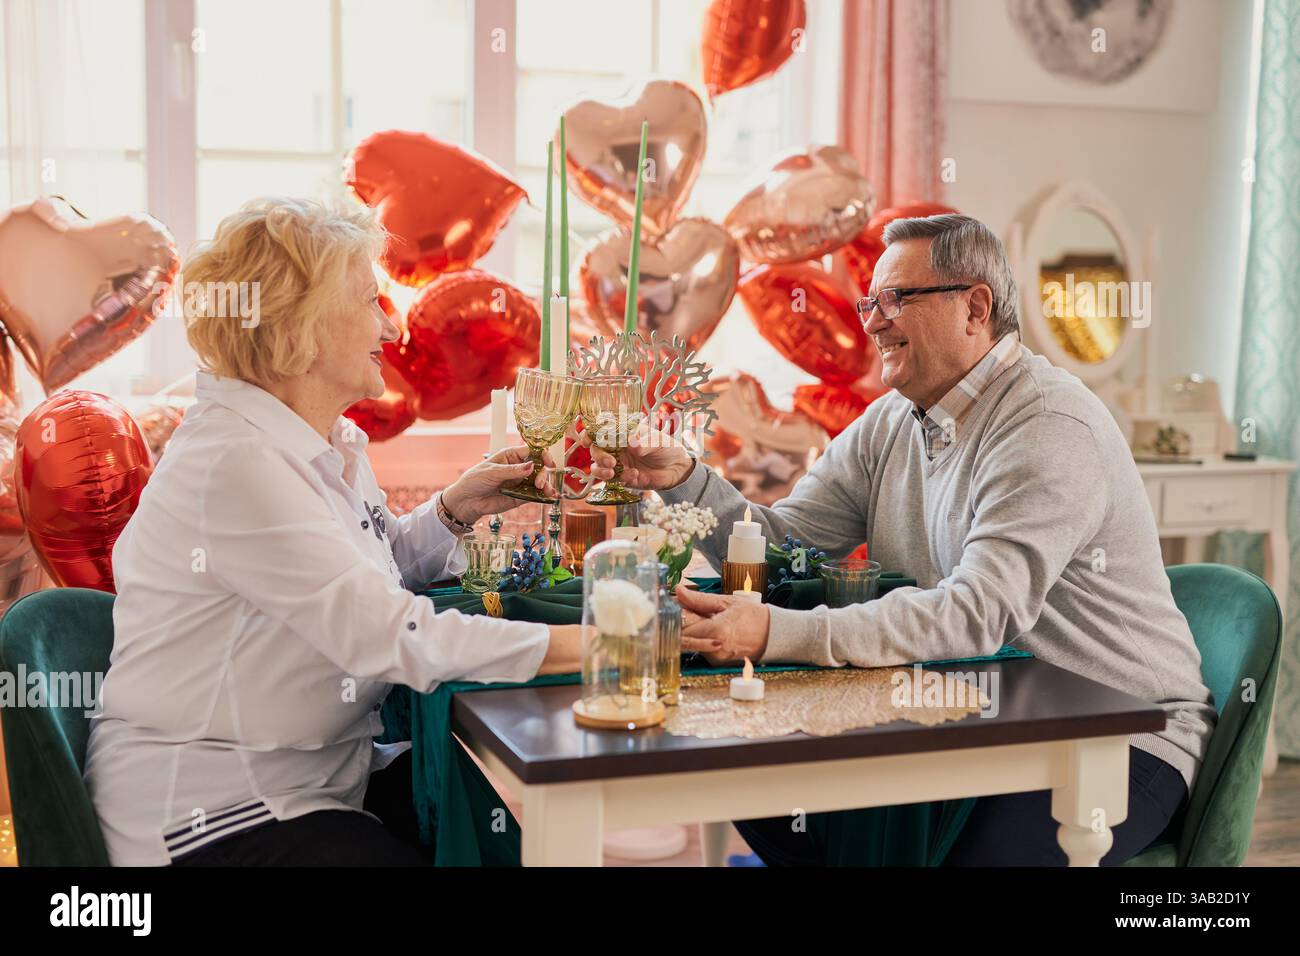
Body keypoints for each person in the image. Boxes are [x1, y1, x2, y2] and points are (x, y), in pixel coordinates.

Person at [583, 214, 1215, 866]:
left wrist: (774, 632)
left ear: (975, 308)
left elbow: (977, 614)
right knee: (758, 784)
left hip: (1120, 736)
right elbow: (783, 547)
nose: (874, 321)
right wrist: (684, 477)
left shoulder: (1046, 424)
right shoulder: (892, 421)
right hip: (981, 714)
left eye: (897, 299)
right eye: (869, 303)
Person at [83, 197, 582, 866]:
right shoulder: (238, 464)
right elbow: (386, 633)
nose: (390, 324)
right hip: (212, 814)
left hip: (318, 782)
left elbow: (367, 578)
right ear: (304, 328)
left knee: (497, 828)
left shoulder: (322, 443)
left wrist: (457, 506)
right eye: (370, 302)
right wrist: (603, 644)